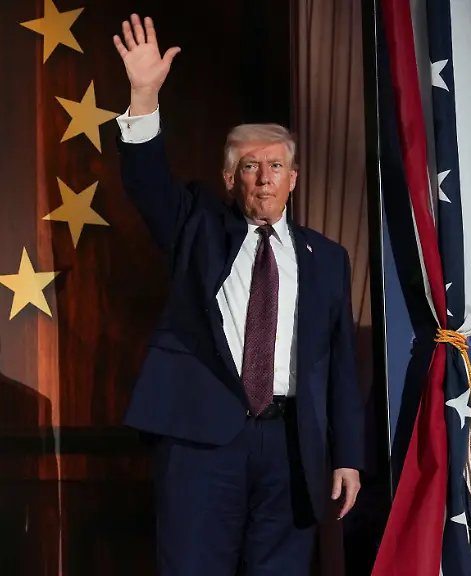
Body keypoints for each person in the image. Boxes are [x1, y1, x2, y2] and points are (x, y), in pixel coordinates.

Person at [111, 14, 364, 576]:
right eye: (250, 167)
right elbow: (148, 183)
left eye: (276, 166)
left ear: (293, 179)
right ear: (230, 179)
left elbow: (341, 365)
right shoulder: (196, 226)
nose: (264, 178)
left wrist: (347, 456)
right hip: (203, 443)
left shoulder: (328, 259)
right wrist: (144, 96)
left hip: (291, 448)